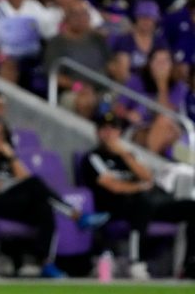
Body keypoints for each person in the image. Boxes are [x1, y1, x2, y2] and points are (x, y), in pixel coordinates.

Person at [0, 117, 109, 278]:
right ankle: (76, 215)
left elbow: (25, 177)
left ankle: (47, 264)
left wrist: (11, 157)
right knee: (35, 184)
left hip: (12, 203)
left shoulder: (4, 159)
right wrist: (16, 185)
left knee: (44, 206)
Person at [81, 111, 195, 279]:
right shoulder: (93, 157)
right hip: (116, 207)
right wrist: (140, 188)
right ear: (97, 132)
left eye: (113, 129)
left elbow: (148, 177)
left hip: (146, 205)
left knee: (191, 207)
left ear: (119, 132)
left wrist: (125, 155)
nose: (109, 133)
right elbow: (114, 187)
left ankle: (189, 265)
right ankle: (136, 262)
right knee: (143, 202)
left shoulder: (128, 155)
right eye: (104, 129)